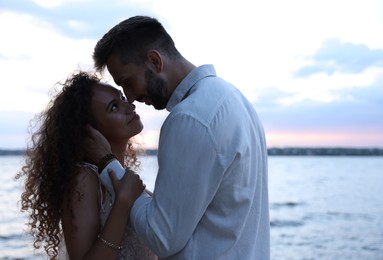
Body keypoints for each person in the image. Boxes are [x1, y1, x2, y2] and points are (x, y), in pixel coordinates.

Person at [89, 15, 270, 259]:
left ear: (154, 61)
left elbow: (161, 238)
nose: (130, 97)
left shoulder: (190, 119)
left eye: (128, 82)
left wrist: (108, 165)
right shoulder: (233, 99)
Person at [15, 71, 157, 259]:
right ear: (90, 131)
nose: (129, 106)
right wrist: (122, 203)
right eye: (114, 107)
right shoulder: (84, 179)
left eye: (122, 98)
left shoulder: (127, 179)